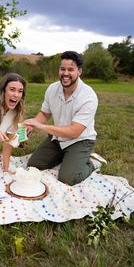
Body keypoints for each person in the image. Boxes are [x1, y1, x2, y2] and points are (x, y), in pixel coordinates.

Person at [24, 51, 106, 186]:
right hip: (57, 138)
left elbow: (75, 131)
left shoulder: (88, 96)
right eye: (62, 69)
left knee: (67, 179)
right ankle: (67, 156)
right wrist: (31, 124)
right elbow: (45, 114)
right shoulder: (52, 89)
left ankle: (92, 164)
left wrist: (43, 127)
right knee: (34, 165)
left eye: (70, 69)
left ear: (79, 71)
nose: (65, 73)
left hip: (80, 140)